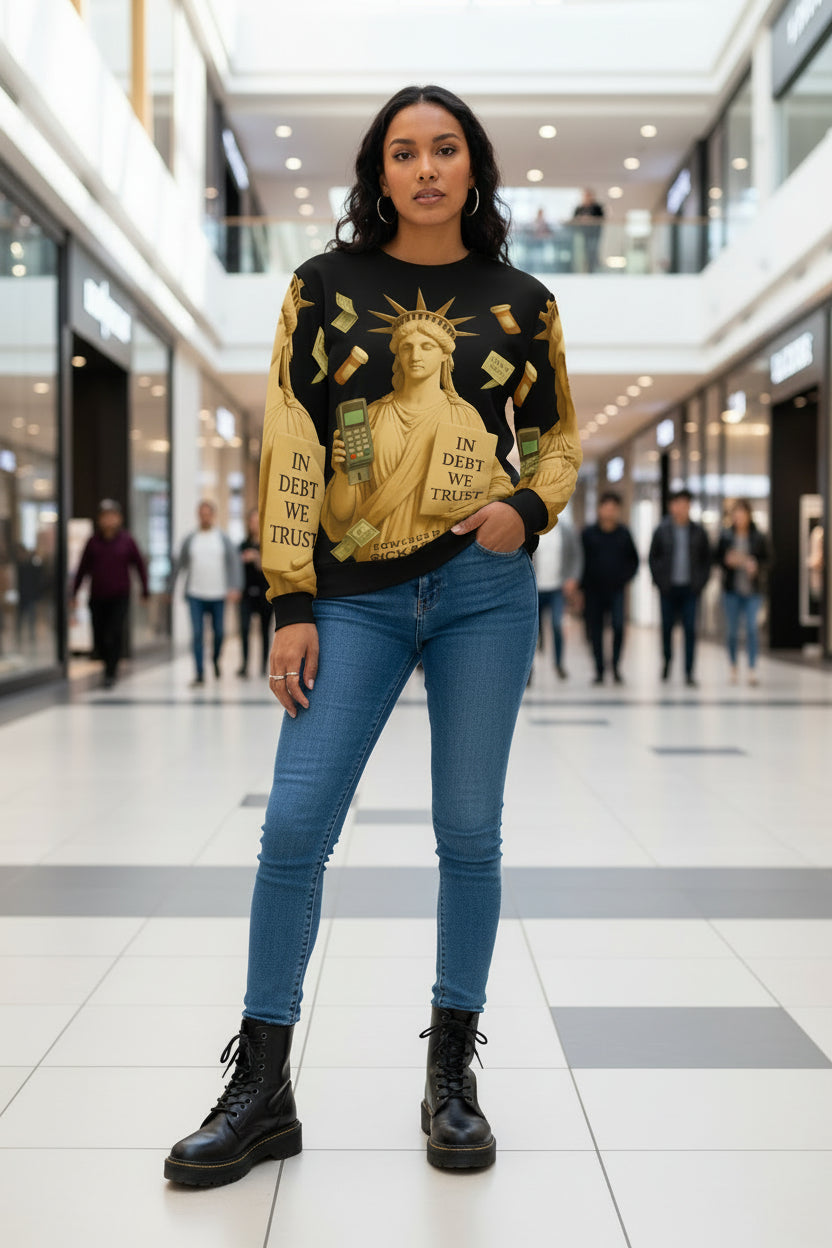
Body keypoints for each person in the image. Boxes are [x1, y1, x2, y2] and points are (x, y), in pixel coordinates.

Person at [165, 83, 581, 1187]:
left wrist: (525, 512)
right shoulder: (325, 287)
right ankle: (262, 1086)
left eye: (446, 149)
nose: (427, 168)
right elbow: (291, 437)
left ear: (474, 167)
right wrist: (288, 597)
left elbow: (554, 442)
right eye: (405, 152)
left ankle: (450, 1077)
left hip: (484, 594)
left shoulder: (521, 301)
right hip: (349, 598)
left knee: (468, 831)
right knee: (294, 826)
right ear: (379, 172)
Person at [70, 499, 148, 688]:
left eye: (112, 516)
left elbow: (139, 566)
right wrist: (74, 593)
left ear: (119, 518)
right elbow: (82, 569)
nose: (108, 520)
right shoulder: (93, 542)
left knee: (114, 632)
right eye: (105, 517)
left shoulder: (127, 541)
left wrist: (145, 590)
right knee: (99, 634)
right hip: (97, 595)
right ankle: (106, 664)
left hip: (119, 595)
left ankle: (111, 671)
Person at [170, 501, 242, 687]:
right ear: (198, 515)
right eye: (201, 514)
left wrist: (235, 586)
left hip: (218, 594)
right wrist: (171, 588)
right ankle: (200, 673)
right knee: (197, 634)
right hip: (195, 594)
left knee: (219, 633)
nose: (205, 517)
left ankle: (215, 659)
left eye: (208, 513)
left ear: (213, 515)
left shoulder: (222, 539)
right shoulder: (190, 539)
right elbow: (179, 565)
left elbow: (234, 563)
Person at [648, 489, 712, 687]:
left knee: (690, 630)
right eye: (678, 504)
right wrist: (659, 581)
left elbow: (706, 560)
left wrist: (700, 583)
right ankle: (667, 662)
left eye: (685, 504)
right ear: (671, 506)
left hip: (690, 590)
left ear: (690, 507)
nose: (681, 508)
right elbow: (653, 557)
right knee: (667, 628)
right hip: (668, 589)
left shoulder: (698, 531)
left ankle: (689, 671)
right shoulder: (662, 530)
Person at [580, 491, 639, 684]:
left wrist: (624, 578)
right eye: (607, 507)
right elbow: (581, 562)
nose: (610, 511)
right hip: (593, 592)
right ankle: (599, 669)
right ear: (600, 509)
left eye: (614, 508)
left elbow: (634, 560)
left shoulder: (624, 533)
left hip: (616, 591)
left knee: (619, 626)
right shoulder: (588, 534)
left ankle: (615, 666)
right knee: (595, 630)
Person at [716, 498, 769, 686]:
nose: (739, 517)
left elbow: (768, 561)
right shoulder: (726, 536)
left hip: (752, 591)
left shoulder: (758, 536)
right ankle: (733, 666)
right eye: (736, 514)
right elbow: (716, 559)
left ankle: (752, 669)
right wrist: (726, 561)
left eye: (742, 513)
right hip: (731, 590)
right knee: (731, 631)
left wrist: (756, 566)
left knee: (752, 629)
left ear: (748, 515)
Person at [533, 517, 583, 678]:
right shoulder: (532, 530)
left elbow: (576, 556)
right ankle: (529, 670)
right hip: (535, 589)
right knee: (533, 631)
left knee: (557, 625)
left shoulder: (566, 530)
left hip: (557, 589)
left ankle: (559, 663)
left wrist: (572, 578)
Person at [238, 508, 273, 678]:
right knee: (244, 628)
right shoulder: (242, 545)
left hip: (265, 593)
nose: (254, 525)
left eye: (257, 521)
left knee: (264, 631)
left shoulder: (269, 545)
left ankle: (263, 666)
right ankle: (245, 665)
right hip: (246, 593)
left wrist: (257, 558)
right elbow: (236, 568)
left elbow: (268, 568)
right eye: (252, 521)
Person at [571, 188, 604, 273]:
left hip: (594, 234)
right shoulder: (579, 208)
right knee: (583, 252)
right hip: (582, 234)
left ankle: (593, 270)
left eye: (588, 195)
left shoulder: (597, 207)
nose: (587, 197)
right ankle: (583, 269)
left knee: (593, 251)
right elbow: (574, 219)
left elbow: (601, 219)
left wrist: (590, 219)